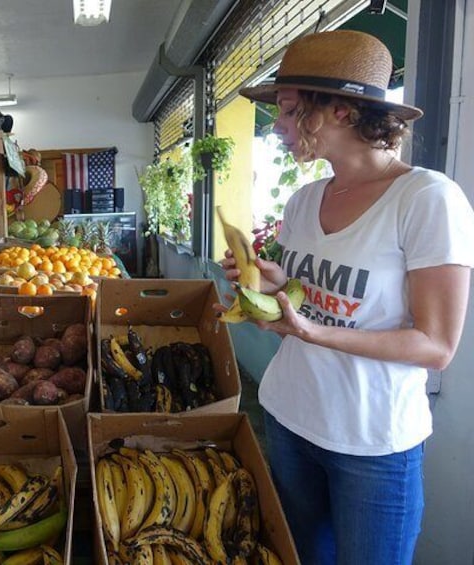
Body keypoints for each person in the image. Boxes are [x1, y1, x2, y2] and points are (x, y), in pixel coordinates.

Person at [223, 30, 474, 564]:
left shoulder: (427, 200)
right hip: (290, 417)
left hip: (372, 443)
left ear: (338, 110)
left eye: (289, 111)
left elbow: (435, 346)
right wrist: (267, 284)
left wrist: (314, 332)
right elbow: (301, 295)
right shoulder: (304, 199)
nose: (277, 128)